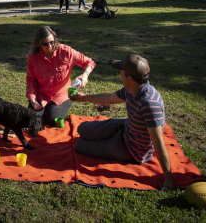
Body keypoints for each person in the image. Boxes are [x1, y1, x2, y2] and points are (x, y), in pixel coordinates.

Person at [71, 54, 174, 190]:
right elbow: (109, 98)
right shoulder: (131, 90)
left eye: (121, 72)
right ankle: (110, 136)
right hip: (126, 128)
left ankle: (110, 142)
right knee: (82, 129)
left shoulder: (149, 103)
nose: (119, 74)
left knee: (79, 145)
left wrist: (168, 179)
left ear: (129, 78)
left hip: (132, 150)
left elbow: (158, 142)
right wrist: (84, 98)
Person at [26, 26, 96, 127]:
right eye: (45, 44)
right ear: (39, 44)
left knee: (52, 120)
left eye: (52, 42)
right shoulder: (33, 57)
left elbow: (89, 62)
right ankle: (42, 112)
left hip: (61, 95)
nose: (50, 46)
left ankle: (49, 112)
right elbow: (31, 79)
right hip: (41, 94)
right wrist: (32, 98)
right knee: (31, 120)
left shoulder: (66, 51)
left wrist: (85, 75)